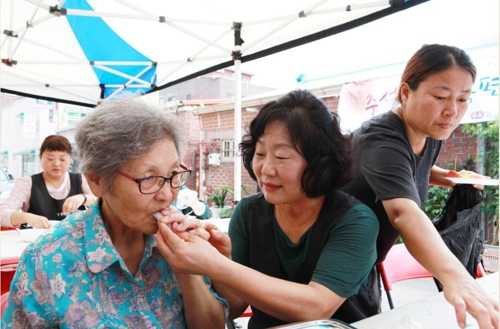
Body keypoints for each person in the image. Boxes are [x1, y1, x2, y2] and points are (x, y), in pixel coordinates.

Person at [155, 90, 380, 327]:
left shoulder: (355, 220)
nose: (266, 169)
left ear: (319, 162)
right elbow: (235, 306)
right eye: (260, 153)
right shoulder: (248, 212)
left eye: (282, 157)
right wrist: (222, 260)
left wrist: (216, 264)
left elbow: (317, 307)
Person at [1, 97, 228, 328]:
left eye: (173, 175)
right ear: (97, 181)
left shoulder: (183, 243)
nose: (168, 194)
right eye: (149, 179)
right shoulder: (45, 262)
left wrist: (188, 272)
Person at [342, 44, 499, 329]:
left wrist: (448, 176)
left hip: (367, 262)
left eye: (463, 99)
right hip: (334, 263)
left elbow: (412, 167)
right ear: (405, 92)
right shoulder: (381, 138)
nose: (452, 111)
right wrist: (458, 277)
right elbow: (403, 212)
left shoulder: (430, 131)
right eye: (440, 96)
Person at [1, 135, 95, 229]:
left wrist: (84, 198)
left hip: (76, 241)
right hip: (37, 240)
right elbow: (2, 213)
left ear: (70, 159)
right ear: (40, 158)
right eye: (50, 159)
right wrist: (27, 217)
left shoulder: (81, 180)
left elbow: (102, 203)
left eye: (62, 159)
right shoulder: (26, 183)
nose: (56, 164)